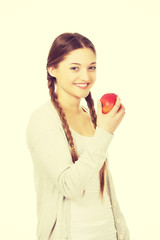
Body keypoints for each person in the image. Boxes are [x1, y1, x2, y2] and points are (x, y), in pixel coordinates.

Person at [26, 32, 130, 240]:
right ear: (52, 69)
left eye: (91, 67)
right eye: (75, 68)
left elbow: (103, 190)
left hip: (108, 232)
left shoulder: (91, 115)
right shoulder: (43, 120)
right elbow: (69, 186)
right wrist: (105, 132)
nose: (86, 77)